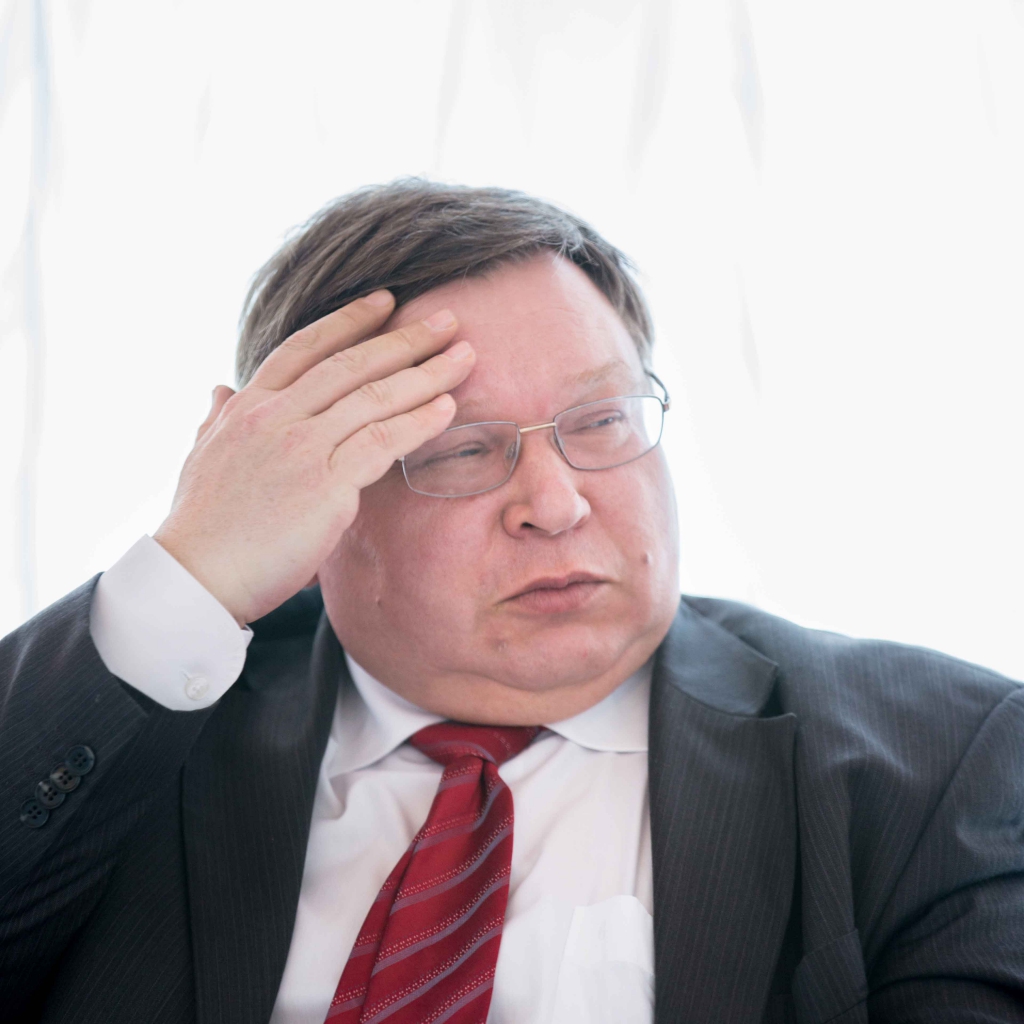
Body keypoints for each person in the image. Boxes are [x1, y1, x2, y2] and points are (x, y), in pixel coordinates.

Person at [0, 180, 1021, 1024]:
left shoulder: (942, 760)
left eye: (603, 419)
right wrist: (192, 572)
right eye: (461, 449)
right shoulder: (132, 741)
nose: (557, 503)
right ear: (309, 498)